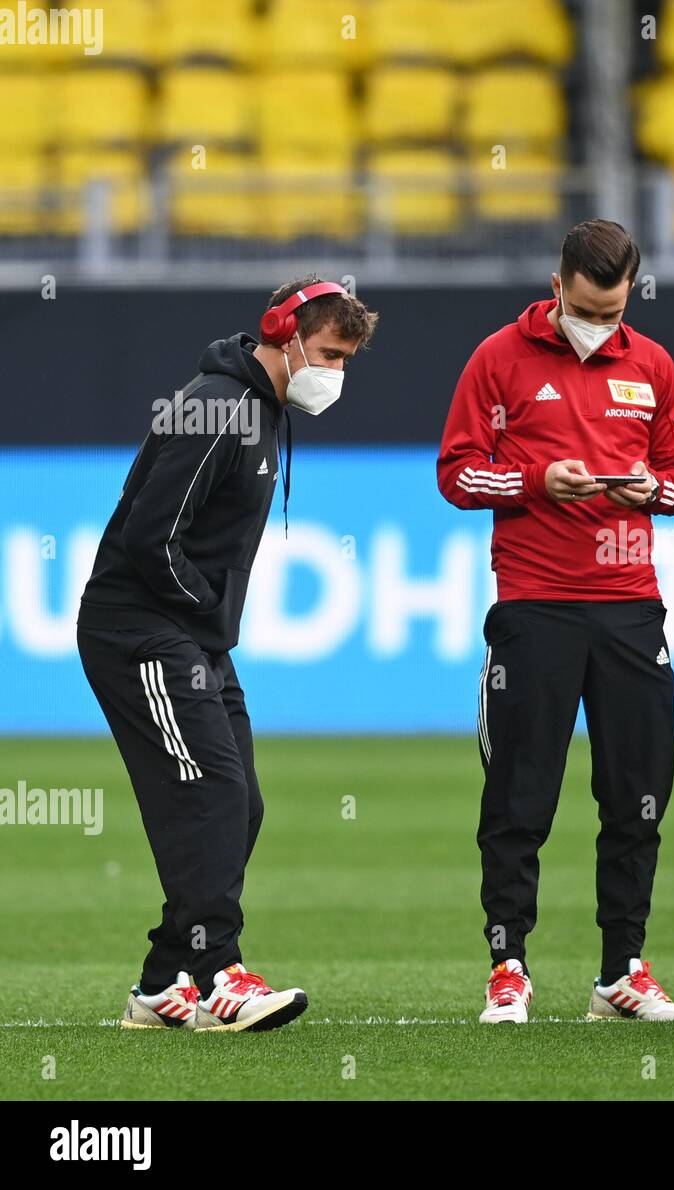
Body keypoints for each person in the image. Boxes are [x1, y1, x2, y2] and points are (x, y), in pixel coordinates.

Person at [78, 277, 378, 1032]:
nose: (335, 373)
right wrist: (204, 607)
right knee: (207, 794)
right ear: (284, 333)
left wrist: (206, 623)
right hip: (139, 629)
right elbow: (152, 537)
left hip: (190, 636)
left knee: (240, 803)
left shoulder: (257, 410)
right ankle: (220, 974)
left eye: (347, 359)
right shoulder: (219, 408)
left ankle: (160, 982)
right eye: (330, 353)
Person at [437, 219, 674, 1024]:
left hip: (630, 606)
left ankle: (622, 972)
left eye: (614, 312)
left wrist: (645, 491)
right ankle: (508, 966)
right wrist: (536, 480)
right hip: (535, 605)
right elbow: (457, 474)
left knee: (637, 796)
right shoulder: (498, 357)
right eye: (588, 309)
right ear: (558, 289)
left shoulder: (652, 363)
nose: (601, 325)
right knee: (520, 798)